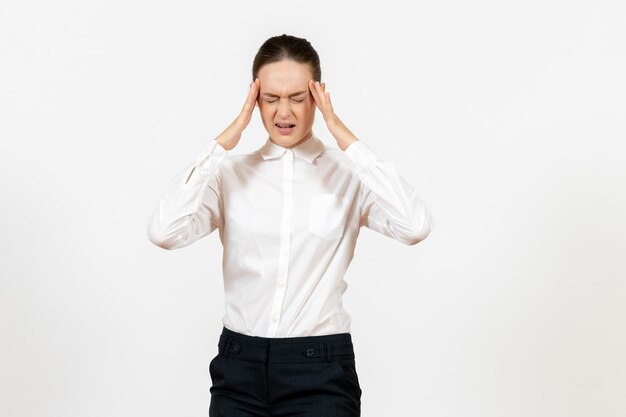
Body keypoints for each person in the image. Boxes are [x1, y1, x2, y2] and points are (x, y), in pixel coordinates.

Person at [147, 33, 434, 417]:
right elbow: (164, 232)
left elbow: (414, 225)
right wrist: (221, 144)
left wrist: (346, 139)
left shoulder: (348, 174)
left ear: (318, 96)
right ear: (254, 97)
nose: (285, 112)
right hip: (238, 369)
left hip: (320, 370)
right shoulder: (229, 175)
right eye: (270, 99)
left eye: (298, 98)